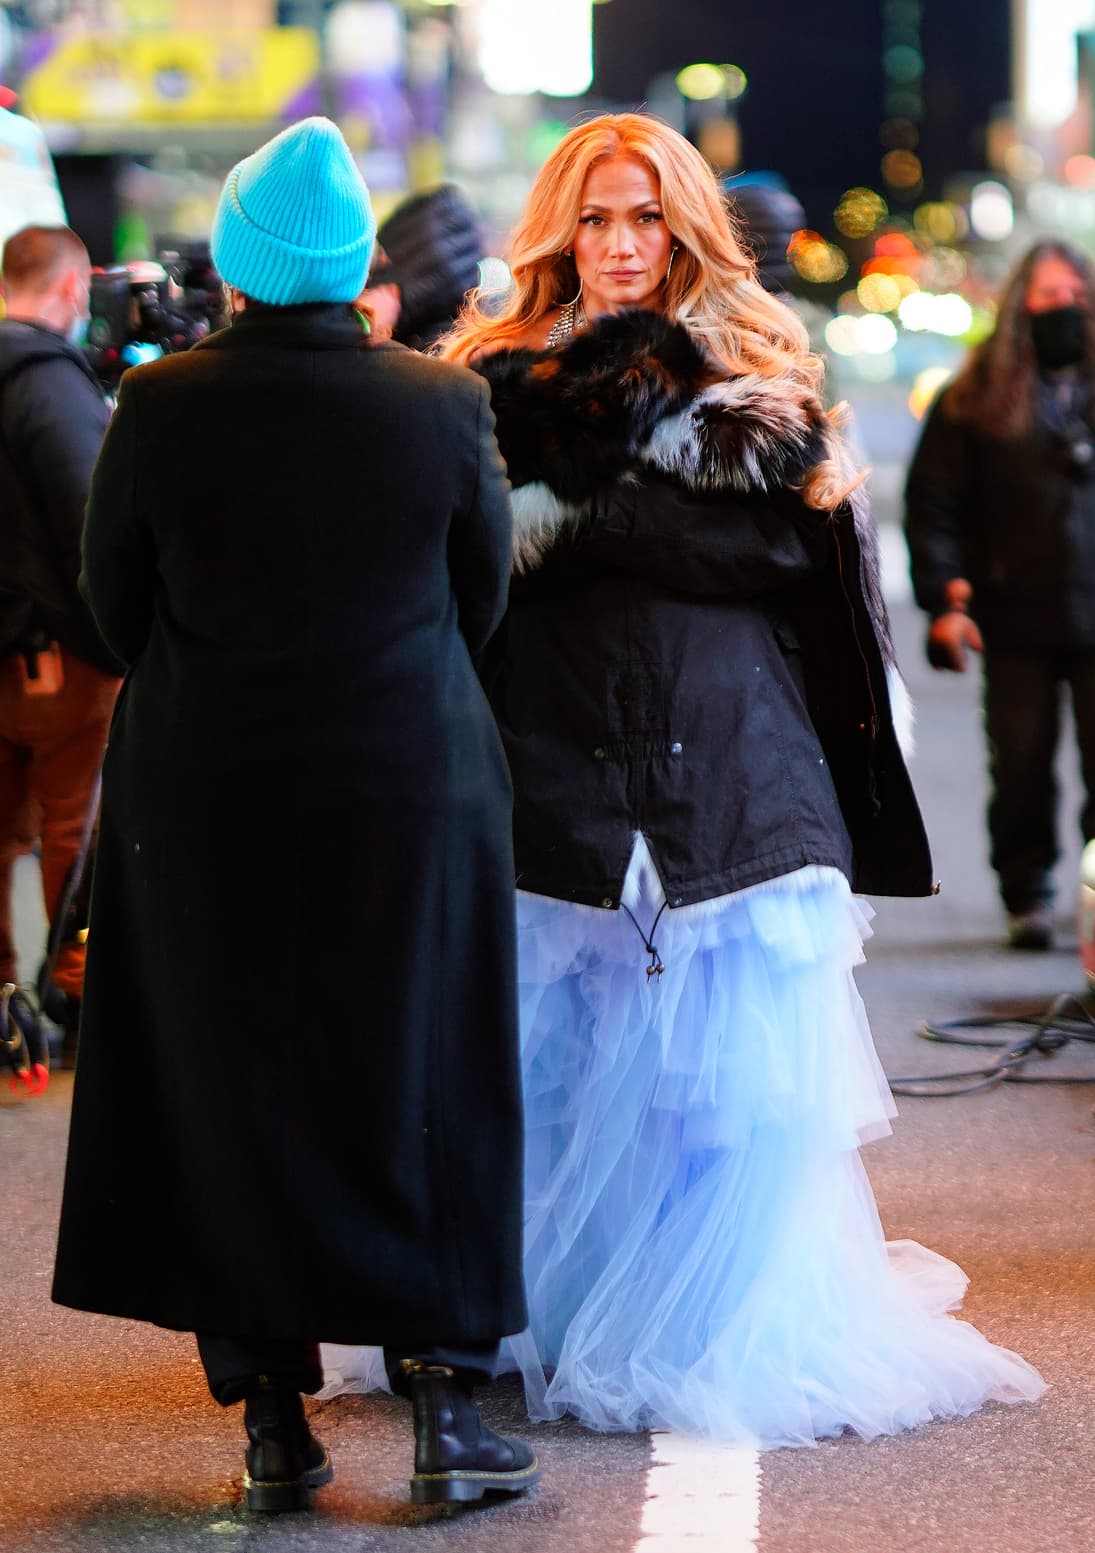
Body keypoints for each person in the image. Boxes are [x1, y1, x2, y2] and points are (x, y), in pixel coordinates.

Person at [423, 111, 1044, 1447]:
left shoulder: (761, 379)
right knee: (554, 1067)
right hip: (542, 758)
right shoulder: (482, 379)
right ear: (558, 228)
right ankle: (541, 1315)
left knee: (722, 1086)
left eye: (646, 215)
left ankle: (696, 1325)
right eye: (595, 216)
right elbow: (453, 581)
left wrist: (584, 522)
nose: (621, 243)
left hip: (735, 765)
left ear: (686, 224)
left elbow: (802, 579)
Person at [51, 117, 539, 1512]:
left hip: (208, 791)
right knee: (422, 1067)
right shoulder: (439, 404)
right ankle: (447, 1406)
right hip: (408, 785)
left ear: (245, 265)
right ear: (354, 265)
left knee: (230, 1079)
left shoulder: (161, 406)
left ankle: (273, 1414)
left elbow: (115, 609)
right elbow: (482, 596)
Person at [905, 238, 1095, 950]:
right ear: (1020, 308)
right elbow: (935, 504)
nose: (1060, 310)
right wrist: (945, 601)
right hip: (1015, 617)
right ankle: (1028, 894)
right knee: (1019, 768)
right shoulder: (972, 398)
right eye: (1045, 297)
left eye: (1073, 297)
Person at [0, 224, 120, 1062]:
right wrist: (113, 639)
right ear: (74, 290)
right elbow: (95, 518)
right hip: (56, 660)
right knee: (77, 831)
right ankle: (75, 1000)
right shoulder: (50, 381)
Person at [357, 184, 484, 349]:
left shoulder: (379, 318)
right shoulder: (457, 345)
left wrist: (364, 328)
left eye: (383, 254)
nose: (375, 263)